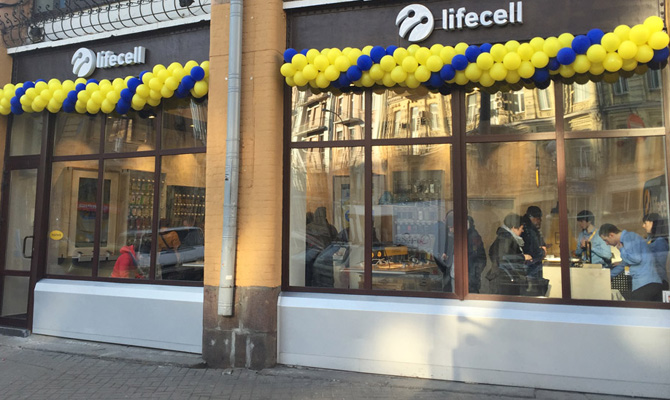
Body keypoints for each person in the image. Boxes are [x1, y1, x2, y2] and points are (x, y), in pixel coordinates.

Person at [599, 223, 663, 302]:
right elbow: (624, 263)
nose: (606, 243)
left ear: (611, 235)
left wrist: (622, 250)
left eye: (605, 240)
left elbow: (636, 259)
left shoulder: (628, 238)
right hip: (648, 283)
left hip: (645, 283)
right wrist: (609, 275)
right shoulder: (628, 238)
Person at [486, 213, 532, 294]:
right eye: (521, 228)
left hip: (504, 279)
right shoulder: (505, 239)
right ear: (514, 227)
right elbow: (503, 257)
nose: (523, 231)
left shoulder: (505, 237)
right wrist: (523, 257)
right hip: (505, 280)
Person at [642, 213, 669, 290]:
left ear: (652, 223)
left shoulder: (660, 241)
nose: (643, 226)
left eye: (645, 223)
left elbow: (661, 263)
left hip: (658, 281)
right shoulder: (650, 239)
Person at [521, 206, 546, 279]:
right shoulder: (529, 231)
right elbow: (533, 251)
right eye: (538, 218)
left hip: (531, 266)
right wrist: (542, 251)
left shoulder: (531, 230)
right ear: (531, 218)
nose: (540, 221)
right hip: (531, 267)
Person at [434, 211, 454, 292]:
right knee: (448, 292)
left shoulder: (466, 234)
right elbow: (436, 253)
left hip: (463, 274)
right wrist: (445, 268)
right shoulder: (443, 233)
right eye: (449, 227)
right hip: (448, 272)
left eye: (452, 227)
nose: (451, 229)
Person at [467, 216, 486, 293]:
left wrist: (476, 272)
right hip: (470, 272)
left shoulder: (474, 236)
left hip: (472, 273)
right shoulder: (460, 235)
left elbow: (481, 256)